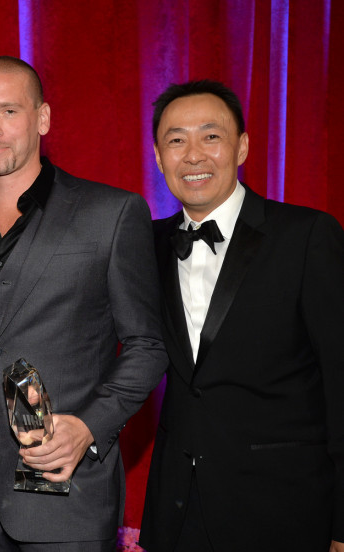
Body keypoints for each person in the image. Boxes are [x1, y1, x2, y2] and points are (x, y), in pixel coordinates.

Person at [0, 55, 168, 551]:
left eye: (9, 111)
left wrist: (89, 427)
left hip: (68, 491)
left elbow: (148, 345)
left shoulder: (112, 213)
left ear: (42, 118)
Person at [139, 80, 344, 552]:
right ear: (158, 156)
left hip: (284, 511)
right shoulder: (143, 245)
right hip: (178, 513)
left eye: (211, 136)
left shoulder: (307, 236)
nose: (193, 155)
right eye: (176, 140)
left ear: (243, 146)